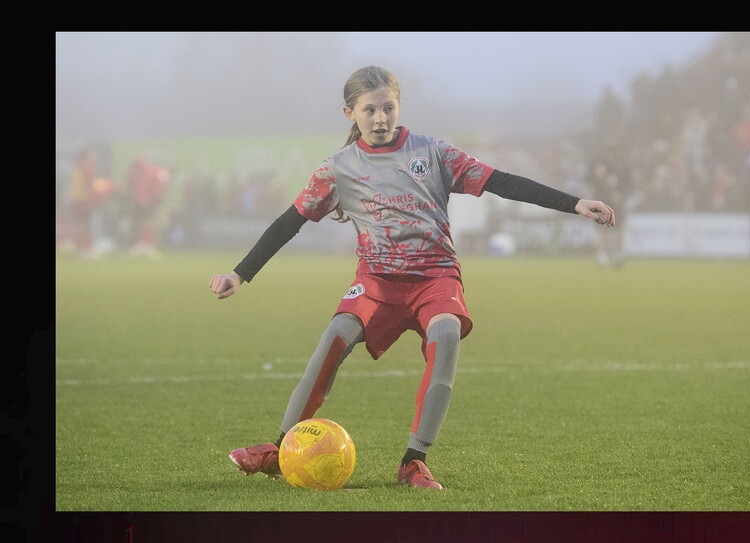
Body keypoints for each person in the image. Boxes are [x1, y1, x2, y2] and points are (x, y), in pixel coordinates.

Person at [209, 66, 616, 490]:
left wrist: (574, 204)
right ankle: (279, 450)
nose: (381, 118)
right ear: (350, 112)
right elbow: (289, 221)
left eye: (388, 107)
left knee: (446, 341)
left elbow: (502, 182)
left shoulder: (434, 152)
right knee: (330, 343)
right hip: (376, 282)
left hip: (435, 278)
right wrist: (241, 274)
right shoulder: (339, 168)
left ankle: (413, 462)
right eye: (370, 110)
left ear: (398, 107)